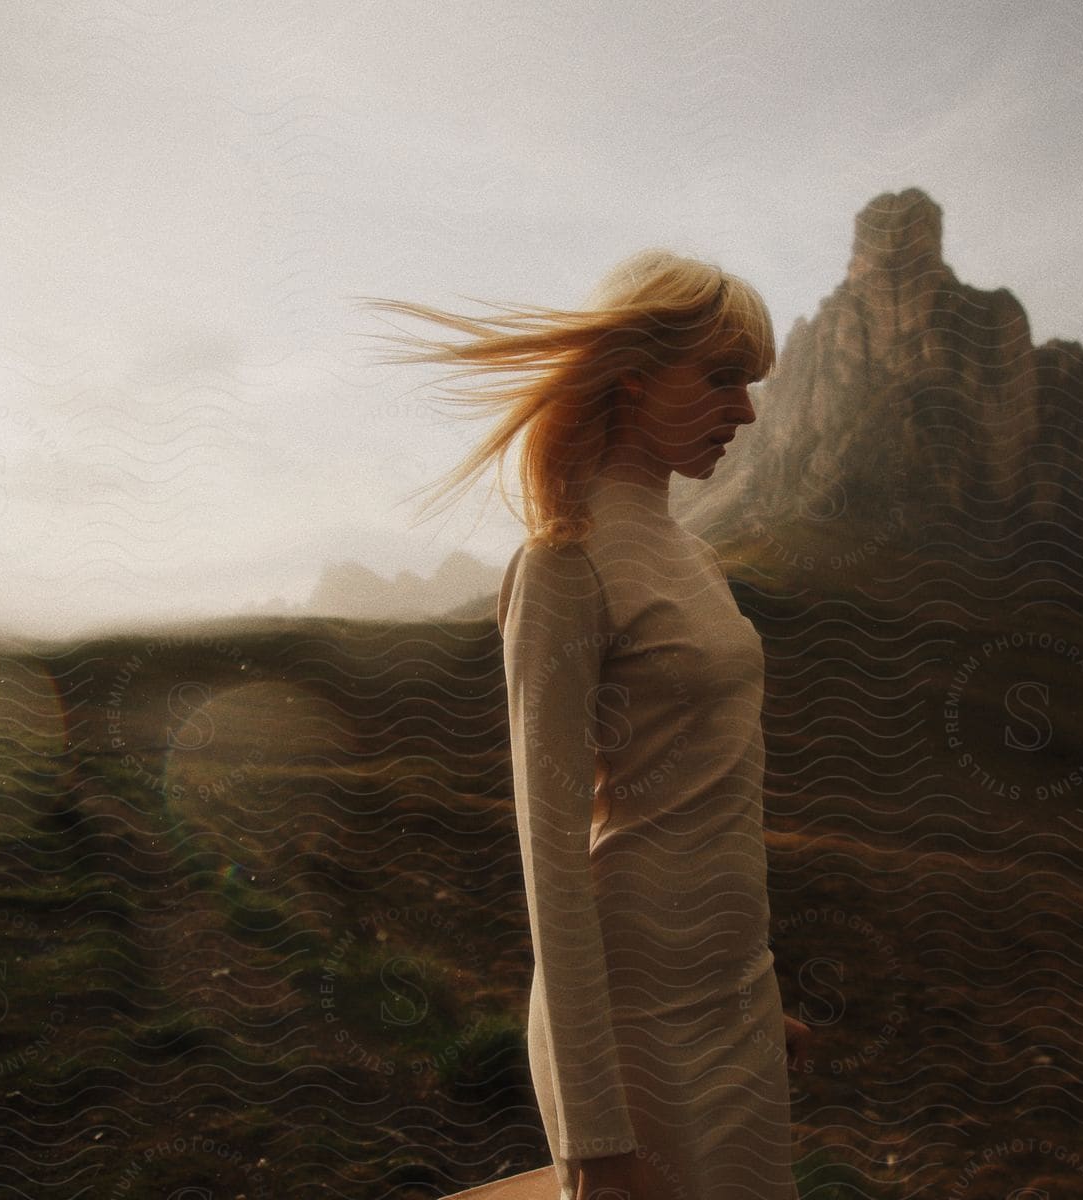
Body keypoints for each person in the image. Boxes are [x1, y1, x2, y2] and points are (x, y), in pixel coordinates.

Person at [355, 249, 812, 1200]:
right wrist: (594, 1125)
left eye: (752, 383)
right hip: (636, 1025)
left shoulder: (694, 559)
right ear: (634, 374)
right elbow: (550, 859)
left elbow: (714, 791)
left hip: (736, 995)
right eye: (723, 378)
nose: (748, 411)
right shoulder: (564, 563)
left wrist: (757, 992)